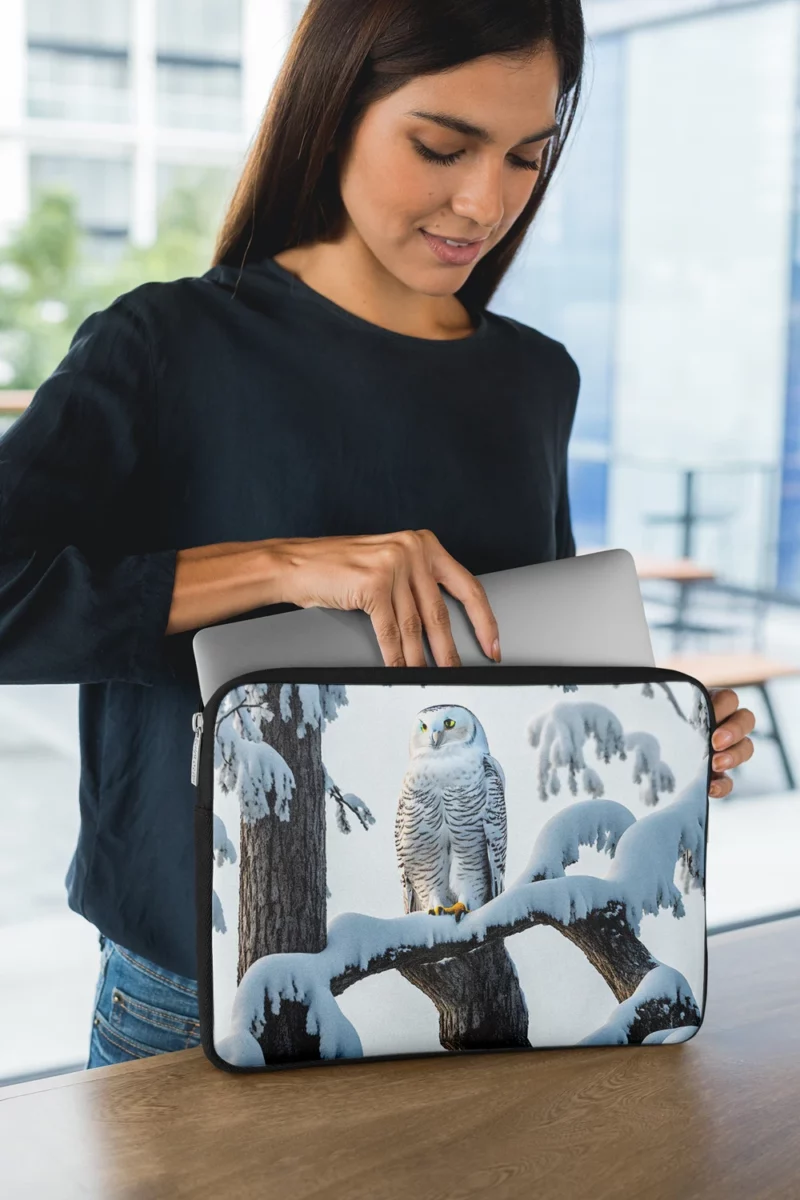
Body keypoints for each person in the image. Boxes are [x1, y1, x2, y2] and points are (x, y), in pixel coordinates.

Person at [0, 0, 755, 1070]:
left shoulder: (535, 379)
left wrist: (671, 731)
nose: (482, 201)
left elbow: (523, 670)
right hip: (194, 997)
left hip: (473, 990)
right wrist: (288, 567)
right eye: (440, 146)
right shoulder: (163, 345)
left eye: (525, 158)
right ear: (332, 107)